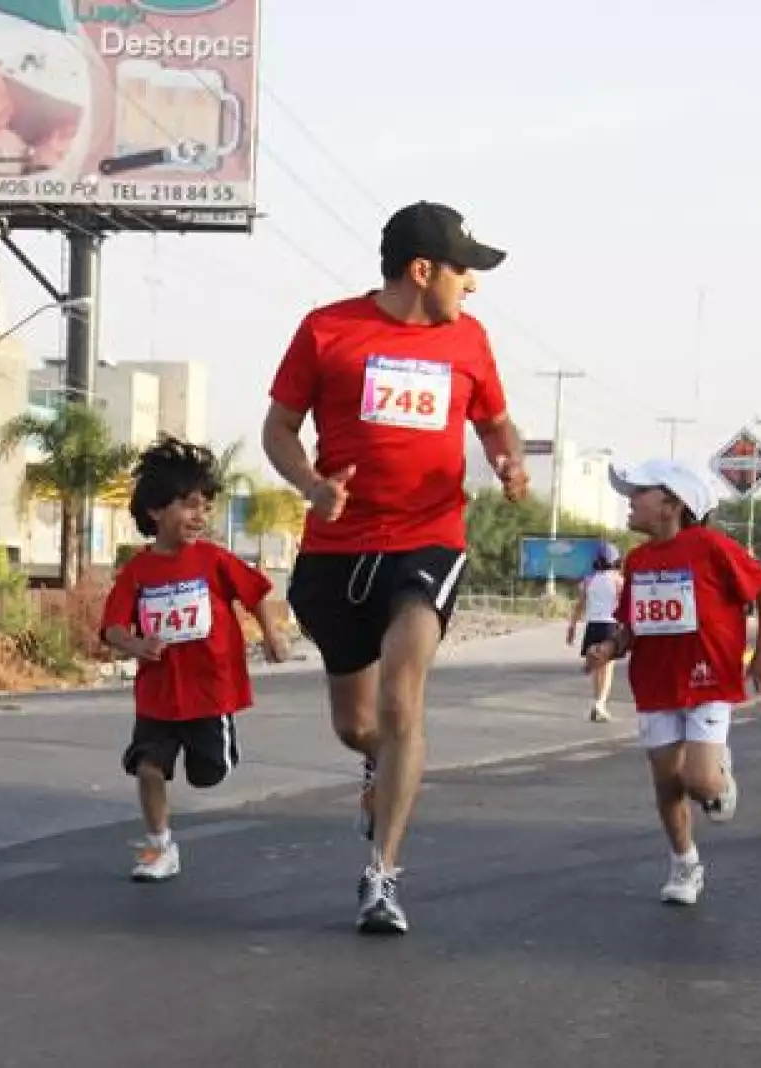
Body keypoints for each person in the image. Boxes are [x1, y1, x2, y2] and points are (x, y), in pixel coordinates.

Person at [263, 200, 528, 935]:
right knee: (360, 724)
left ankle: (382, 875)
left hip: (428, 539)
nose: (471, 286)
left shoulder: (470, 341)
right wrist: (311, 486)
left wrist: (508, 459)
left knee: (403, 698)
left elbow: (496, 421)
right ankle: (381, 765)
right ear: (423, 270)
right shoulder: (327, 330)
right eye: (463, 270)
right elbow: (278, 428)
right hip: (336, 549)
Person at [583, 459, 761, 907]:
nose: (629, 503)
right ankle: (684, 862)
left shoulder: (711, 546)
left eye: (639, 494)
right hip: (656, 684)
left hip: (708, 679)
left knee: (699, 781)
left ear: (672, 504)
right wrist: (609, 649)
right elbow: (631, 624)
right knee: (666, 783)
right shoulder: (635, 561)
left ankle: (717, 780)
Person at [100, 437, 289, 882]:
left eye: (205, 507)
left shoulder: (214, 560)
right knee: (148, 768)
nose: (199, 516)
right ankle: (159, 846)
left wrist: (272, 635)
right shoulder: (137, 572)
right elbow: (112, 628)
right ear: (155, 511)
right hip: (159, 695)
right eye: (188, 505)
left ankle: (220, 748)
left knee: (209, 774)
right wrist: (136, 645)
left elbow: (258, 593)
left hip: (210, 690)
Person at [567, 542, 624, 722]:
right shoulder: (618, 580)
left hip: (593, 626)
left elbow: (580, 606)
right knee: (607, 667)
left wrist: (572, 627)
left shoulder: (588, 580)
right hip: (610, 625)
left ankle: (598, 702)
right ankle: (600, 704)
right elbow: (623, 605)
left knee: (596, 666)